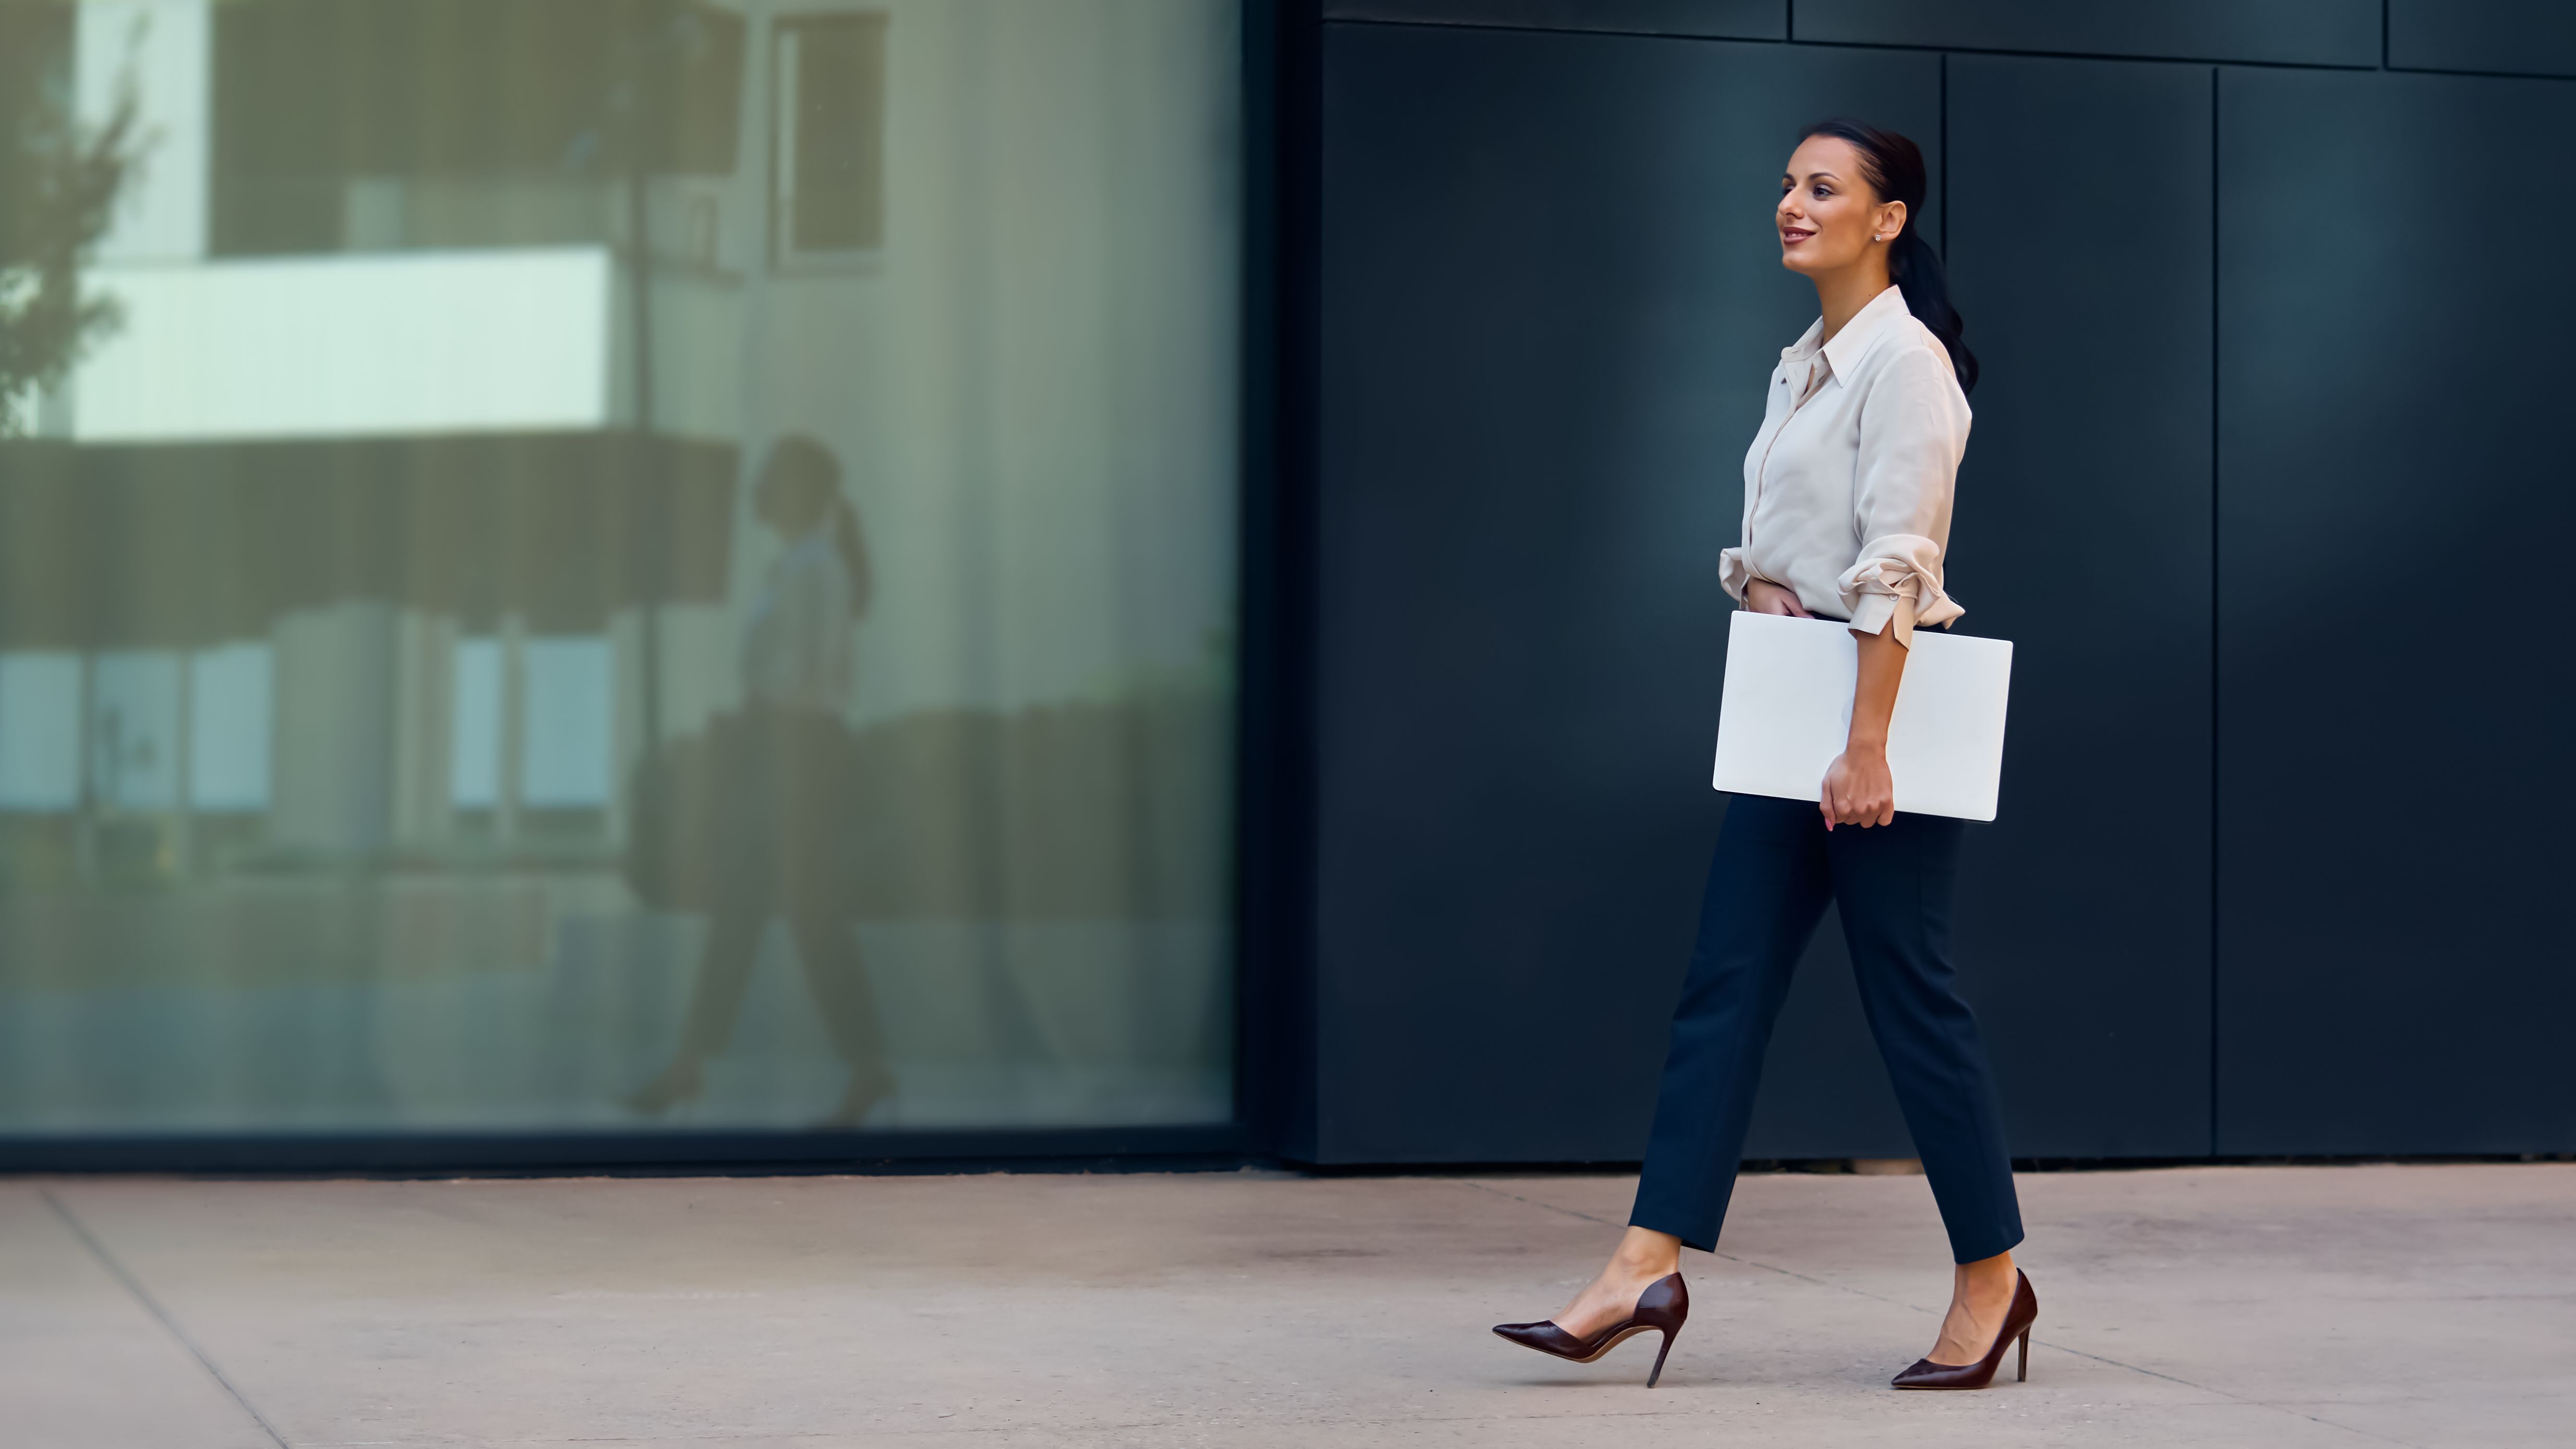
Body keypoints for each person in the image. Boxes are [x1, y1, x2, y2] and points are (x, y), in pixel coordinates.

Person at [1492, 121, 2036, 1392]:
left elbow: (1901, 561)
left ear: (1887, 219)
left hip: (1868, 735)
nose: (1791, 203)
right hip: (1800, 720)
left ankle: (1993, 1280)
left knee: (1913, 1004)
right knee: (1724, 986)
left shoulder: (1905, 364)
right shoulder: (1806, 361)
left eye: (1822, 188)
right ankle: (1642, 1267)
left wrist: (1867, 748)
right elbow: (1791, 536)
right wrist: (1762, 589)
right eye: (1787, 185)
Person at [627, 435, 896, 1128]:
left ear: (799, 492)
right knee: (797, 914)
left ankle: (694, 1064)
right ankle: (858, 1067)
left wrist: (755, 713)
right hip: (787, 748)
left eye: (769, 479)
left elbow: (805, 673)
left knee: (765, 906)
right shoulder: (798, 567)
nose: (755, 491)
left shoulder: (816, 570)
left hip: (797, 751)